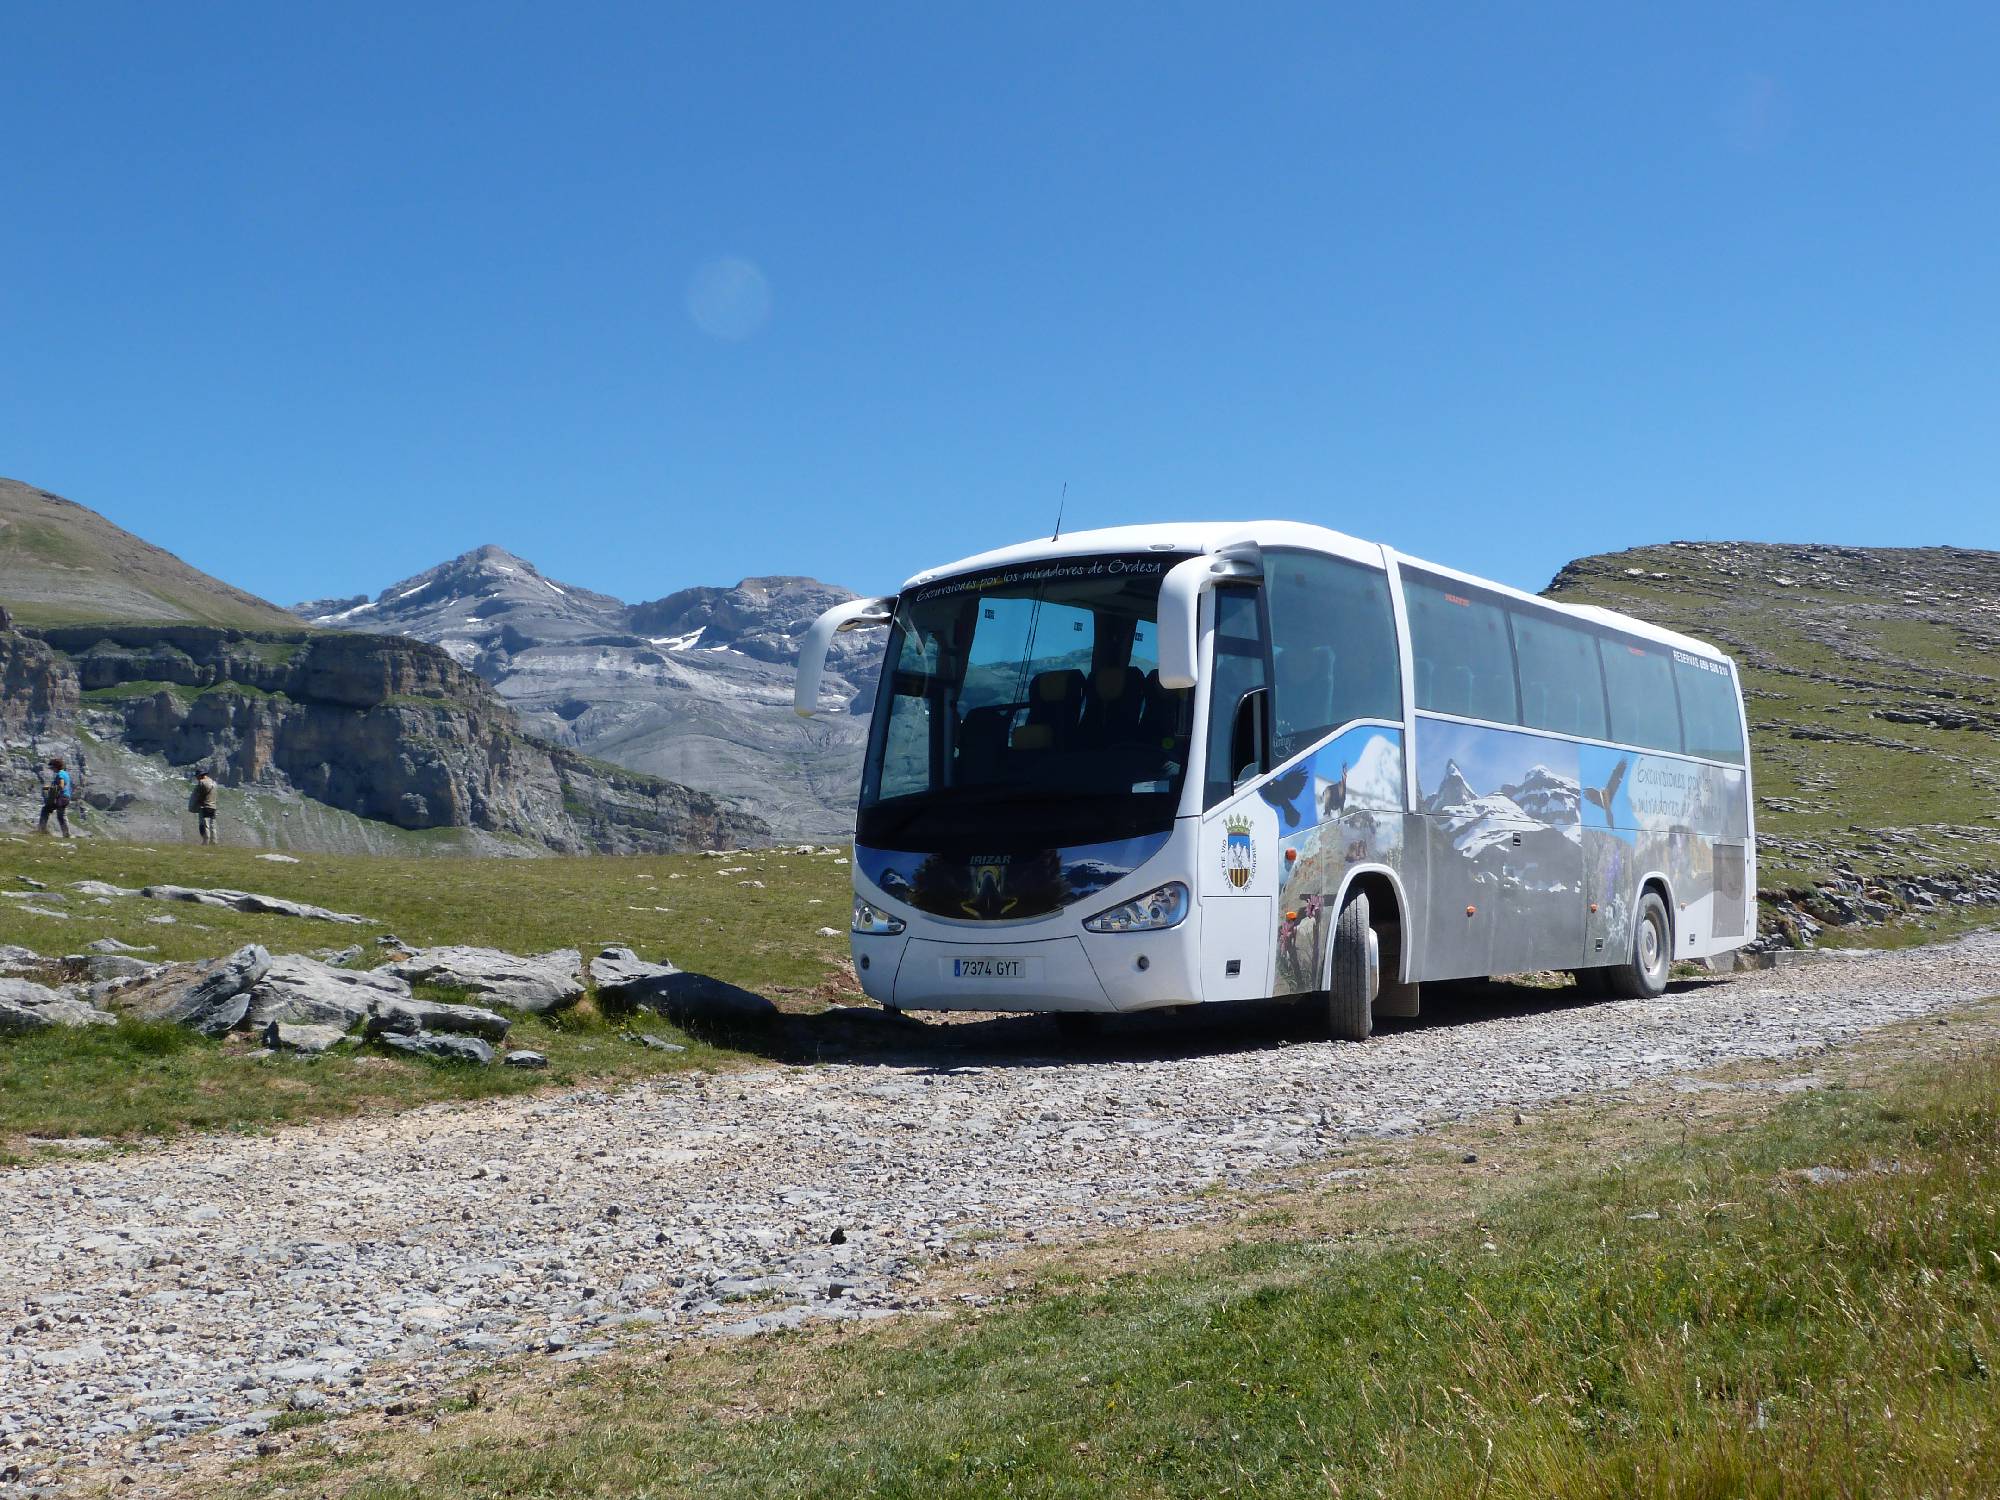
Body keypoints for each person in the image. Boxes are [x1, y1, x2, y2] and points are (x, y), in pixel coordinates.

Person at [37, 757, 73, 838]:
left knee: (58, 814)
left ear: (56, 766)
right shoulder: (65, 773)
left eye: (52, 767)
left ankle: (42, 829)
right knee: (56, 813)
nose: (52, 769)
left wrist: (49, 788)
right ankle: (66, 834)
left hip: (61, 797)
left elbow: (61, 785)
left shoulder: (60, 774)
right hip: (66, 797)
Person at [189, 770, 219, 844]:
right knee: (213, 825)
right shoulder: (214, 783)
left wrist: (195, 804)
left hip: (204, 806)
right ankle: (214, 841)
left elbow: (199, 795)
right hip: (213, 807)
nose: (197, 778)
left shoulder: (202, 782)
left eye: (197, 776)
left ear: (200, 775)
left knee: (205, 825)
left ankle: (206, 841)